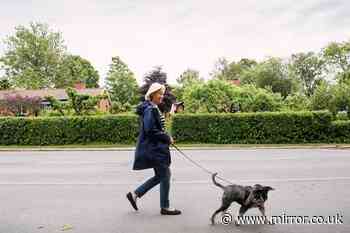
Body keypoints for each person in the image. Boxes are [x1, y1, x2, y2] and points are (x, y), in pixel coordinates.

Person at [126, 83, 182, 215]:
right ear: (152, 95)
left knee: (161, 175)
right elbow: (150, 130)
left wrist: (166, 137)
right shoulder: (150, 109)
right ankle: (165, 206)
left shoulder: (153, 107)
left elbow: (158, 128)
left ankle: (135, 194)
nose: (162, 96)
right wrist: (167, 138)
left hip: (156, 148)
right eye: (159, 94)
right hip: (154, 149)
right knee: (165, 175)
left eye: (162, 94)